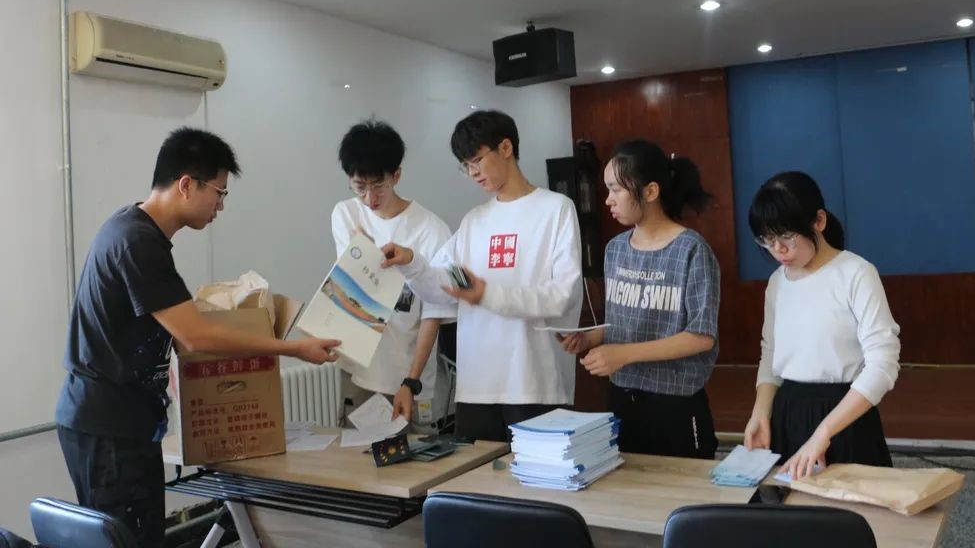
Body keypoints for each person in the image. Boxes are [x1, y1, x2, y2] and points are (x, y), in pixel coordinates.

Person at [54, 127, 339, 548]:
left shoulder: (133, 230)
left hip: (114, 421)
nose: (220, 205)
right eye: (219, 192)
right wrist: (294, 347)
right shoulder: (138, 242)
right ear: (187, 184)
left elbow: (179, 331)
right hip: (108, 427)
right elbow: (197, 336)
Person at [380, 110, 582, 442]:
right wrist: (412, 263)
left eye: (477, 160)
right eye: (465, 165)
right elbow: (444, 288)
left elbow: (563, 295)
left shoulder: (555, 209)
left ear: (506, 148)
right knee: (474, 474)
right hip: (476, 386)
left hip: (534, 381)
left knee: (536, 474)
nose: (473, 172)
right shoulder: (475, 221)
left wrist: (486, 294)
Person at [559, 140, 720, 458]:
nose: (608, 200)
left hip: (675, 403)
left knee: (681, 486)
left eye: (616, 189)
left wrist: (624, 354)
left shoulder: (691, 249)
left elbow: (701, 336)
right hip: (622, 398)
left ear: (650, 191)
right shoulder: (615, 249)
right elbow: (623, 323)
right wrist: (590, 338)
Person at [742, 171, 900, 479]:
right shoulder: (777, 283)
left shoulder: (856, 273)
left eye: (787, 236)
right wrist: (760, 412)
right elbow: (770, 355)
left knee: (850, 506)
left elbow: (883, 365)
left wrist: (823, 433)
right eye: (767, 239)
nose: (778, 249)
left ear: (819, 221)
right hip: (787, 415)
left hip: (845, 417)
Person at [331, 119, 452, 426]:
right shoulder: (346, 214)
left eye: (378, 186)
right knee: (356, 452)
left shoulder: (431, 229)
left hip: (410, 375)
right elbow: (350, 289)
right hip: (360, 370)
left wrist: (411, 381)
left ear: (396, 176)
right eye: (359, 186)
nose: (369, 198)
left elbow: (433, 314)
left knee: (416, 452)